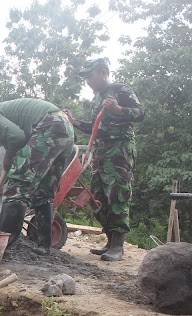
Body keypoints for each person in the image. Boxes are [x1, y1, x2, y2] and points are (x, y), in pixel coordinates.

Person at [0, 98, 75, 255]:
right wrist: (3, 182)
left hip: (50, 126)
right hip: (64, 128)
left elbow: (17, 138)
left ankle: (1, 245)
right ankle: (43, 245)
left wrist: (9, 158)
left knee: (17, 187)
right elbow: (24, 151)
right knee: (43, 191)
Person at [65, 58, 144, 261]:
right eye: (86, 78)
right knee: (98, 198)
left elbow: (140, 113)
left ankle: (118, 246)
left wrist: (119, 110)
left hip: (119, 152)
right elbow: (94, 126)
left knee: (117, 195)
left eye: (90, 76)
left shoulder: (120, 90)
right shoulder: (97, 98)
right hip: (100, 153)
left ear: (102, 72)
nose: (87, 81)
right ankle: (110, 241)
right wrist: (74, 122)